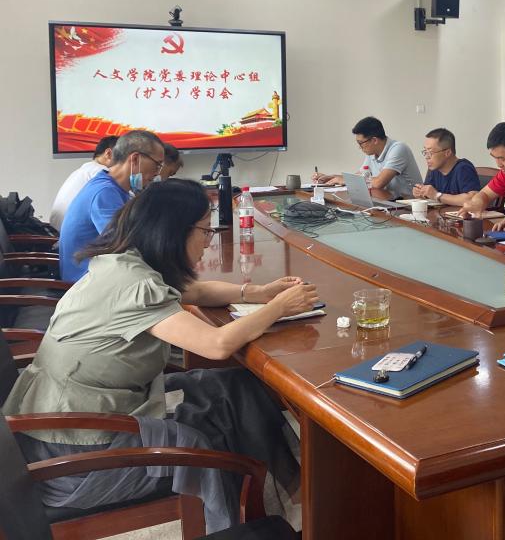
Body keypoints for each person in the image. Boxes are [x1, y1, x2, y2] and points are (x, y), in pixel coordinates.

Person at [3, 179, 319, 533]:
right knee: (211, 433)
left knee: (233, 387)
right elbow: (216, 345)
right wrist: (279, 307)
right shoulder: (135, 285)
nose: (208, 241)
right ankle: (236, 529)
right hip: (75, 455)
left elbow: (195, 291)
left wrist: (258, 292)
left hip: (79, 419)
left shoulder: (124, 264)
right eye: (205, 231)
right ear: (173, 231)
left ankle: (300, 496)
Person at [58, 130, 165, 282]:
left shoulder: (114, 188)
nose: (157, 173)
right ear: (135, 159)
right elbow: (124, 246)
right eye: (157, 165)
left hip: (100, 272)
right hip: (85, 280)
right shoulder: (105, 192)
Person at [310, 116, 422, 199]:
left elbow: (378, 183)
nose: (360, 147)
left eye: (361, 143)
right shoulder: (372, 153)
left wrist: (344, 180)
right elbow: (358, 176)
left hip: (408, 206)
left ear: (374, 140)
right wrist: (331, 177)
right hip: (388, 201)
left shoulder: (398, 149)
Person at [49, 135, 118, 230]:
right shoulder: (100, 172)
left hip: (56, 232)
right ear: (108, 154)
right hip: (68, 234)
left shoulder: (84, 170)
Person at [412, 127, 480, 206]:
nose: (427, 157)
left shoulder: (463, 168)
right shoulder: (434, 169)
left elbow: (473, 199)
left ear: (447, 153)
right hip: (440, 213)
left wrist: (437, 195)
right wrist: (421, 193)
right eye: (425, 152)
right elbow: (430, 194)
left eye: (430, 152)